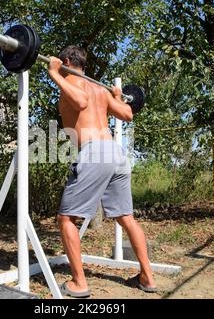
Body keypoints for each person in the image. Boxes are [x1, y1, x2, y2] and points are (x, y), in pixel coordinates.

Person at [48, 45, 158, 298]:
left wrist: (54, 74)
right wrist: (118, 97)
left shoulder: (71, 85)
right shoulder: (100, 88)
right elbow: (127, 113)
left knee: (66, 219)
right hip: (115, 153)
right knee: (126, 217)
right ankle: (147, 278)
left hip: (94, 152)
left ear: (65, 60)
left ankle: (79, 283)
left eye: (60, 63)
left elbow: (79, 101)